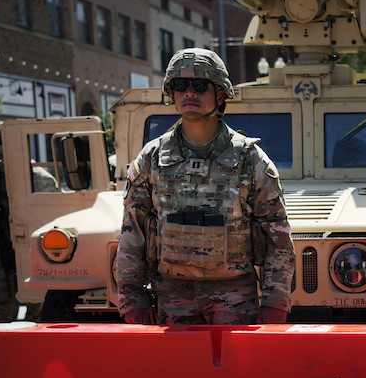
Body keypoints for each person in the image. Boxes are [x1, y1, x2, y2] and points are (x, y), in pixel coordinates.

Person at [115, 47, 295, 325]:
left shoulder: (250, 159)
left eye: (200, 85)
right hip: (172, 299)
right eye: (180, 85)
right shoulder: (152, 158)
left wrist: (275, 300)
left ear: (220, 94)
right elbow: (132, 232)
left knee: (237, 369)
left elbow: (278, 235)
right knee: (178, 370)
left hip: (235, 300)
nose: (189, 93)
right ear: (171, 93)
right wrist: (131, 297)